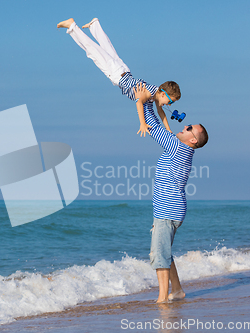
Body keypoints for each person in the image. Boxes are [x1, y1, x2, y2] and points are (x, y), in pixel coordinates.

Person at [134, 82, 208, 303]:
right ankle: (177, 290)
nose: (184, 127)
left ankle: (162, 299)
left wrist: (145, 98)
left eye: (189, 129)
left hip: (168, 211)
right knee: (164, 251)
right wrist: (151, 100)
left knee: (159, 255)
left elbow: (154, 127)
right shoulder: (181, 147)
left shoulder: (178, 147)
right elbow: (158, 123)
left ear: (192, 139)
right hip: (170, 210)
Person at [57, 18, 181, 136]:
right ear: (163, 94)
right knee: (92, 50)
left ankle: (94, 25)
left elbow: (161, 112)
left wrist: (169, 130)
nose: (169, 104)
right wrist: (142, 123)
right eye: (170, 101)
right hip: (117, 74)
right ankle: (72, 26)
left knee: (107, 48)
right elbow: (139, 102)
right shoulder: (148, 93)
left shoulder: (156, 94)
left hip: (124, 71)